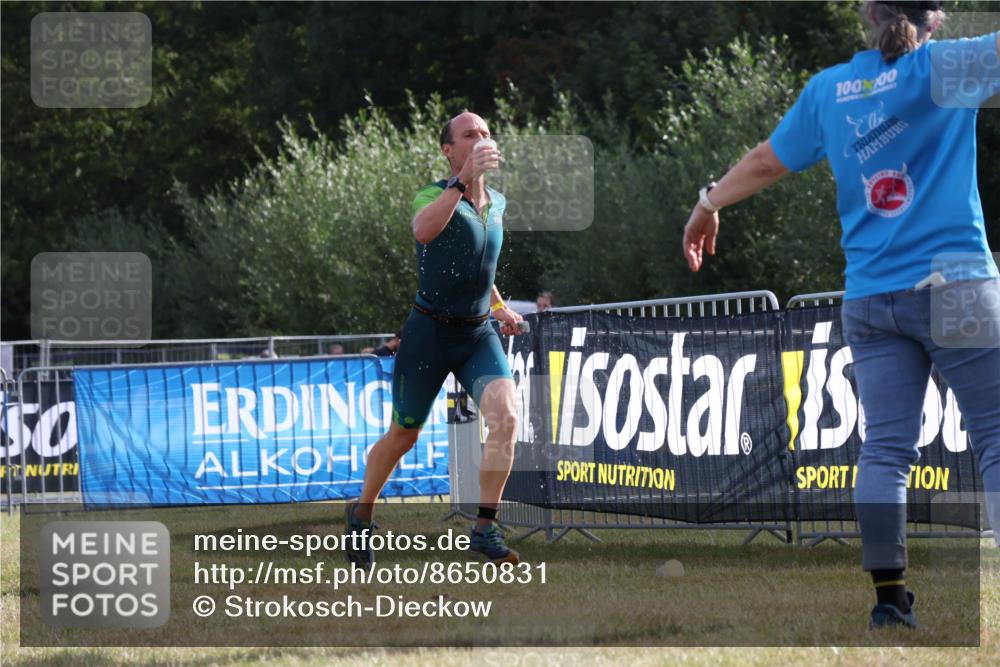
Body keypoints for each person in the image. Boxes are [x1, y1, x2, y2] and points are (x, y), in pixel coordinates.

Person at [681, 1, 999, 630]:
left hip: (871, 296)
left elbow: (766, 161)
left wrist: (706, 205)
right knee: (994, 435)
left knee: (885, 449)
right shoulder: (945, 66)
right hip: (956, 283)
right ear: (934, 18)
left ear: (867, 13)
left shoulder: (830, 89)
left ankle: (889, 598)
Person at [344, 111, 526, 568]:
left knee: (506, 418)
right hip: (428, 333)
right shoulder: (433, 194)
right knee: (403, 435)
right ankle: (361, 514)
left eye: (485, 133)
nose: (480, 139)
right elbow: (425, 231)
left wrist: (499, 306)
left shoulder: (498, 202)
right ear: (449, 150)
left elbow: (479, 261)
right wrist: (461, 182)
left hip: (477, 333)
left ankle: (484, 528)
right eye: (469, 135)